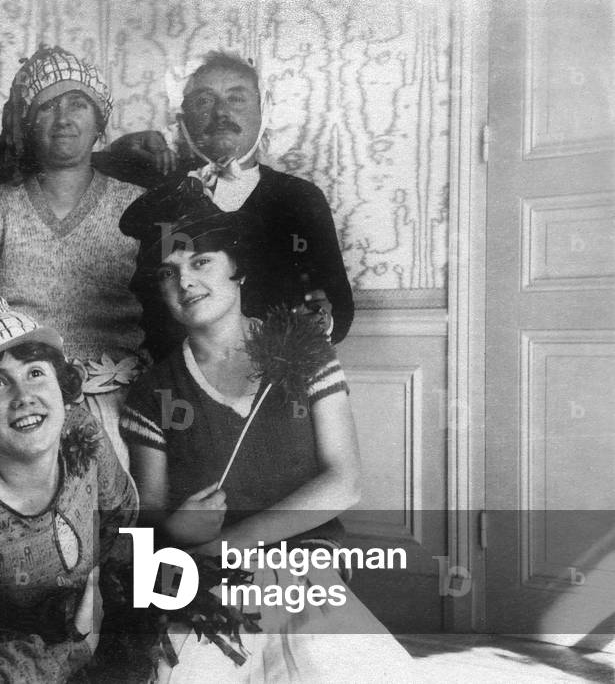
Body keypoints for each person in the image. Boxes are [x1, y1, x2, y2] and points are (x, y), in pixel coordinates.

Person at [118, 186, 410, 681]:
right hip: (204, 576)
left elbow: (344, 482)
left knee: (322, 664)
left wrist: (227, 543)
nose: (184, 282)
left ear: (239, 269)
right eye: (169, 274)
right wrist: (175, 531)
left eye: (201, 262)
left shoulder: (303, 350)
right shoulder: (155, 391)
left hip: (305, 559)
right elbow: (149, 514)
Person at [0, 252, 137, 682]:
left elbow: (121, 515)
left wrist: (108, 596)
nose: (24, 396)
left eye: (35, 373)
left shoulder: (80, 429)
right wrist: (75, 648)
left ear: (61, 385)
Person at [0, 45, 147, 480]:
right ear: (30, 125)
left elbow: (168, 308)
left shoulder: (138, 206)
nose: (64, 117)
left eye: (78, 104)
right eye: (48, 107)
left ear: (99, 123)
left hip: (115, 392)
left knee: (111, 517)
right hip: (18, 393)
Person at [116, 51, 354, 358]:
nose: (221, 113)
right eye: (204, 101)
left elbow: (340, 307)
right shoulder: (161, 197)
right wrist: (122, 148)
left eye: (237, 99)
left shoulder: (300, 198)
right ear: (183, 121)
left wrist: (322, 320)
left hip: (276, 380)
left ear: (263, 111)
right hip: (185, 383)